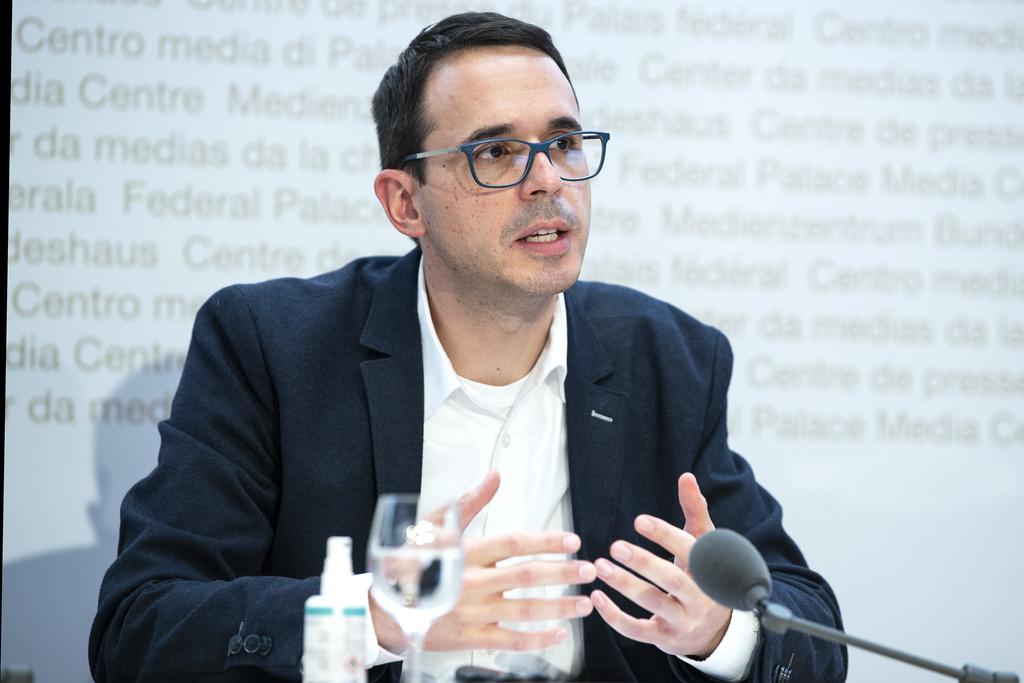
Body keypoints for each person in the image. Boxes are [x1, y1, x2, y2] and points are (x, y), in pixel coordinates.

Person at [90, 12, 846, 683]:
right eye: (495, 153)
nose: (547, 180)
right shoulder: (272, 346)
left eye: (563, 142)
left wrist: (722, 631)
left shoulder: (669, 359)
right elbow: (141, 625)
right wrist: (379, 619)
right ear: (405, 202)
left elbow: (813, 630)